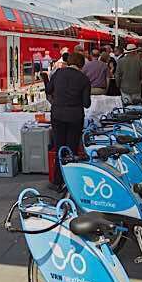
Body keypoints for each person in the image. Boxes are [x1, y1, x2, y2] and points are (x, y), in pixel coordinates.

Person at [46, 52, 91, 191]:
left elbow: (48, 89)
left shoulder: (58, 73)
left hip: (58, 115)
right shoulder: (84, 79)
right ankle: (71, 182)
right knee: (71, 148)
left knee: (60, 146)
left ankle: (56, 181)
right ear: (81, 65)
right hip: (75, 117)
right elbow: (86, 103)